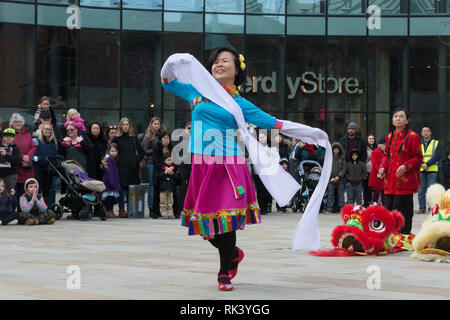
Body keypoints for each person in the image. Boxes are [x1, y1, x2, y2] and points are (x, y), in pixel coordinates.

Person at [161, 47, 285, 291]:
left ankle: (223, 273)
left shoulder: (239, 103)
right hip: (200, 165)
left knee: (226, 219)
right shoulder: (196, 92)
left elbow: (270, 122)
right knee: (204, 225)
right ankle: (233, 254)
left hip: (229, 165)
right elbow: (168, 82)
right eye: (215, 61)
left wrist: (309, 133)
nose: (218, 65)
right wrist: (171, 61)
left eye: (225, 61)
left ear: (237, 69)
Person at [378, 108, 422, 235]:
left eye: (401, 116)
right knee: (390, 211)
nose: (398, 118)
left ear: (407, 120)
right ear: (392, 121)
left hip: (404, 183)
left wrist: (405, 166)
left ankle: (404, 238)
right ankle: (391, 238)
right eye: (395, 116)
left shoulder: (413, 137)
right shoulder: (390, 136)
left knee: (403, 212)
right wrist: (382, 167)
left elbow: (418, 158)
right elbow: (386, 156)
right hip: (389, 183)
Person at [111, 117, 144, 218]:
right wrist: (118, 160)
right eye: (123, 124)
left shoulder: (134, 137)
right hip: (121, 167)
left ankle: (131, 209)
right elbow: (111, 150)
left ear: (129, 126)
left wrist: (136, 159)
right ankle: (121, 210)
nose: (125, 126)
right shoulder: (116, 138)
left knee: (131, 189)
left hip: (132, 168)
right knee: (121, 189)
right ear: (121, 126)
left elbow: (141, 151)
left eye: (127, 124)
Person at [142, 116, 167, 217]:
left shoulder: (163, 134)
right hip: (151, 163)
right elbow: (144, 150)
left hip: (162, 163)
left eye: (158, 124)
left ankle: (160, 208)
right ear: (151, 125)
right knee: (152, 186)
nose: (156, 125)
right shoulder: (148, 136)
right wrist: (156, 149)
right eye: (154, 124)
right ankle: (152, 208)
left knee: (160, 186)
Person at [10, 113, 36, 204]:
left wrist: (28, 157)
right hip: (15, 168)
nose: (18, 123)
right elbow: (10, 148)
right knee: (14, 194)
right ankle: (14, 216)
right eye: (16, 122)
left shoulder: (27, 134)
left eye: (20, 122)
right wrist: (22, 157)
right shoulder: (9, 134)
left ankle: (24, 214)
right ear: (12, 123)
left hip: (27, 168)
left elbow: (33, 147)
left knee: (26, 194)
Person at [32, 122, 59, 205]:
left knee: (47, 190)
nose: (47, 131)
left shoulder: (53, 143)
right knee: (37, 189)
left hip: (48, 169)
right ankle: (35, 208)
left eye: (49, 129)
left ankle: (45, 209)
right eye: (46, 129)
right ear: (42, 130)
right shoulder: (36, 141)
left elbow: (54, 156)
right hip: (38, 169)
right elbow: (32, 154)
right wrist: (37, 158)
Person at [417, 126, 441, 213]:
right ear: (421, 133)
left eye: (427, 131)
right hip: (421, 169)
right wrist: (422, 164)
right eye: (424, 131)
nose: (425, 132)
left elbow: (437, 155)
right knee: (420, 191)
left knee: (432, 191)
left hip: (432, 169)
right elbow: (416, 156)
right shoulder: (418, 143)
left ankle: (432, 208)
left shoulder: (436, 143)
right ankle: (422, 208)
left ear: (430, 133)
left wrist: (427, 164)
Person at [325, 142, 346, 214]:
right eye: (334, 149)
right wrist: (331, 177)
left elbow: (344, 168)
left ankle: (342, 209)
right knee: (330, 195)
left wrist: (339, 176)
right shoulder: (329, 158)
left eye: (337, 149)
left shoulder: (342, 158)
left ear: (339, 150)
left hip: (340, 180)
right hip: (331, 180)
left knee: (341, 195)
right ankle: (329, 208)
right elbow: (327, 168)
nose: (336, 151)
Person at [157, 153, 179, 219]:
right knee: (163, 202)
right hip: (163, 189)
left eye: (171, 160)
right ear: (164, 161)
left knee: (170, 202)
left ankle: (170, 214)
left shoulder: (173, 169)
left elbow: (177, 177)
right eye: (168, 160)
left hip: (171, 188)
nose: (170, 161)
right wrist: (164, 173)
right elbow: (158, 177)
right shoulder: (162, 168)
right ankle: (163, 213)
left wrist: (172, 174)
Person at [102, 143, 121, 219]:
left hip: (112, 183)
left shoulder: (113, 160)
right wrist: (112, 183)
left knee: (111, 198)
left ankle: (110, 211)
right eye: (112, 151)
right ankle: (109, 211)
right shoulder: (109, 160)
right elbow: (109, 173)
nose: (114, 153)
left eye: (115, 151)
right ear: (108, 151)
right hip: (110, 183)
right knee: (110, 199)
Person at [368, 138, 386, 206]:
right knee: (376, 193)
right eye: (385, 145)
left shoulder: (386, 153)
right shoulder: (374, 152)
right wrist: (380, 170)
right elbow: (374, 163)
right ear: (381, 145)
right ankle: (374, 207)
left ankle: (385, 207)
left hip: (384, 175)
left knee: (384, 193)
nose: (386, 146)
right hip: (376, 175)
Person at [363, 134, 376, 207]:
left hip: (374, 171)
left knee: (372, 188)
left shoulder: (376, 148)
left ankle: (372, 202)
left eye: (372, 139)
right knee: (366, 188)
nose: (371, 140)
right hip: (366, 171)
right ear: (367, 140)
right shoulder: (365, 149)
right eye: (370, 139)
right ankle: (366, 203)